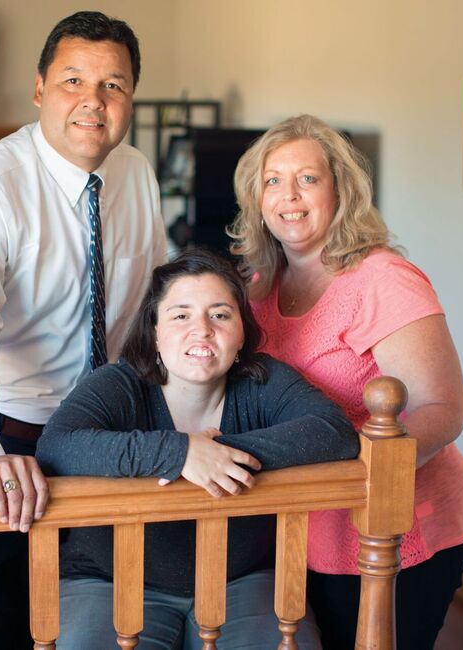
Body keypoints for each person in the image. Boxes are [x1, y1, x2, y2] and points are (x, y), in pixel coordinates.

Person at [0, 11, 167, 648]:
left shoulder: (138, 176)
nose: (92, 102)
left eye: (114, 86)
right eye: (73, 80)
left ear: (130, 99)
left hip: (83, 436)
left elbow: (150, 308)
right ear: (40, 88)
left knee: (66, 620)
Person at [228, 114, 463, 650]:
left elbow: (443, 407)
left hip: (396, 528)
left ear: (340, 191)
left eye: (308, 179)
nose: (288, 196)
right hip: (301, 531)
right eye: (273, 180)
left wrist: (362, 475)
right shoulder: (257, 288)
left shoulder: (381, 278)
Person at [36, 250, 359, 649]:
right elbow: (57, 447)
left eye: (220, 314)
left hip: (242, 579)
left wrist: (217, 452)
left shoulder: (264, 380)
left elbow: (335, 432)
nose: (202, 330)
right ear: (154, 331)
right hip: (111, 579)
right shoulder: (118, 383)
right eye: (181, 315)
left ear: (241, 332)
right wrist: (181, 453)